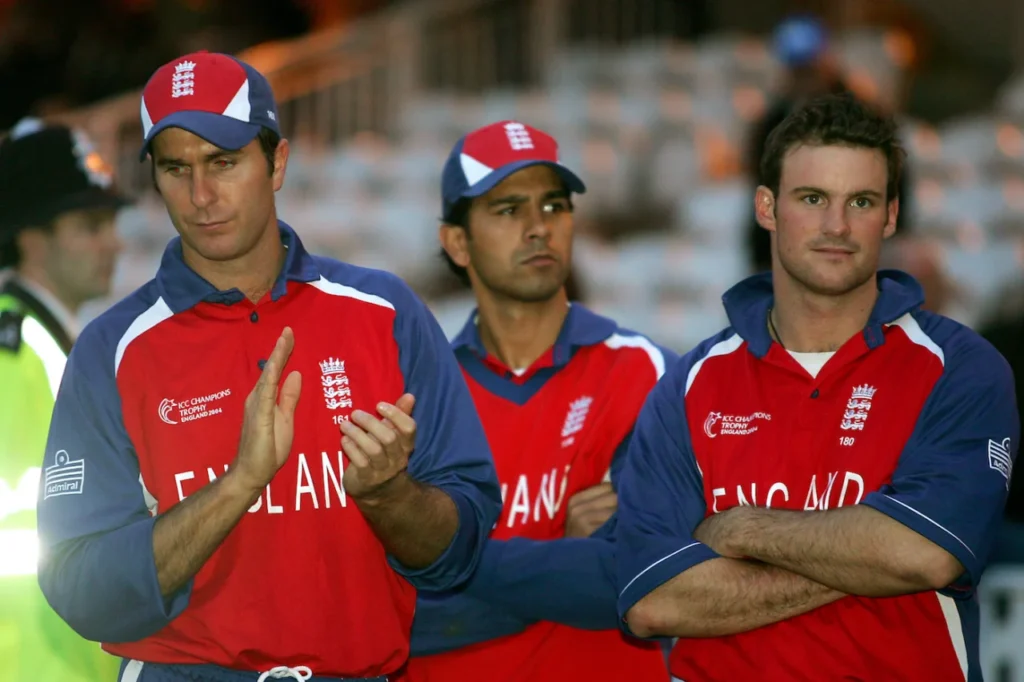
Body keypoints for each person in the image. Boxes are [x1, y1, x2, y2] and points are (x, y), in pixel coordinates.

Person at [35, 51, 502, 682]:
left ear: (277, 162)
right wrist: (237, 485)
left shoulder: (385, 311)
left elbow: (461, 552)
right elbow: (82, 592)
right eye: (177, 169)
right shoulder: (110, 349)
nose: (201, 196)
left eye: (224, 163)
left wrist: (390, 496)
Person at [615, 93, 1019, 682]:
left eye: (861, 201)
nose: (837, 225)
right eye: (812, 199)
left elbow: (927, 553)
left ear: (890, 215)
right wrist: (866, 548)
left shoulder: (962, 367)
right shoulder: (688, 384)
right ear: (766, 207)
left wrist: (743, 529)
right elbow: (655, 600)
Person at [398, 121, 672, 682]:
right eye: (507, 210)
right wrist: (557, 554)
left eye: (553, 206)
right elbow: (388, 617)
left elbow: (631, 582)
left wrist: (445, 567)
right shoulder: (416, 396)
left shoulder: (645, 370)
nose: (537, 228)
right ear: (456, 241)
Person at [0, 117, 125, 682]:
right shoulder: (13, 351)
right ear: (32, 237)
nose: (113, 242)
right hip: (32, 660)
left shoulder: (49, 344)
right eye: (89, 224)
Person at [745, 14, 913, 273]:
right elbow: (759, 178)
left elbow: (893, 180)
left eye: (808, 67)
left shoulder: (865, 114)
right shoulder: (772, 121)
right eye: (797, 68)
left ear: (826, 61)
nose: (803, 76)